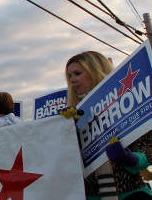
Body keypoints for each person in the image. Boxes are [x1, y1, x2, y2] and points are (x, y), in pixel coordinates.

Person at [65, 51, 152, 200]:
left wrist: (132, 159)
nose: (72, 80)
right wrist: (62, 130)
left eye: (77, 73)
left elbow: (147, 144)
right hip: (91, 195)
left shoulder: (126, 101)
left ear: (96, 70)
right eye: (69, 76)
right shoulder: (71, 115)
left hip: (131, 193)